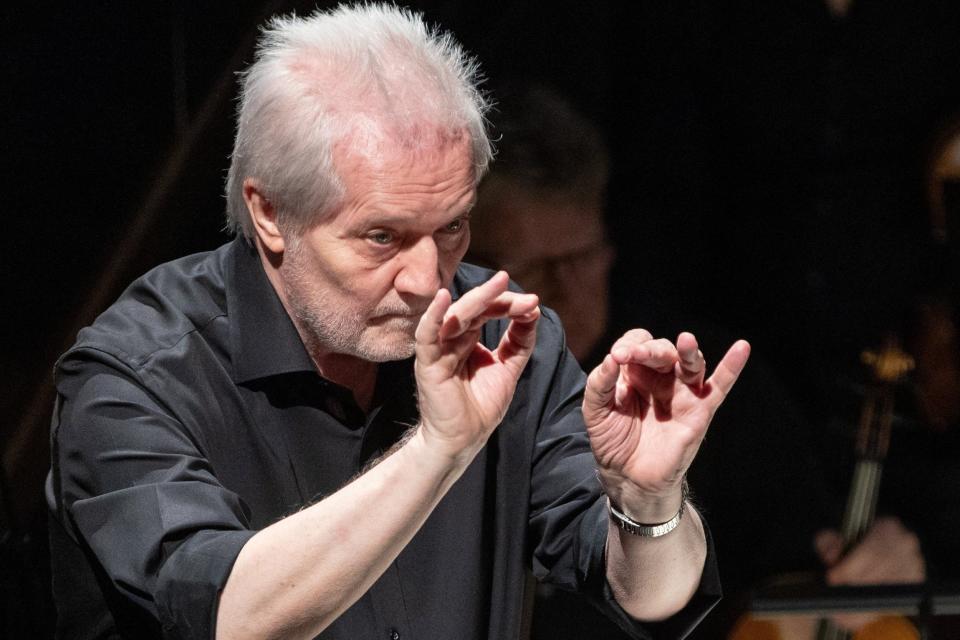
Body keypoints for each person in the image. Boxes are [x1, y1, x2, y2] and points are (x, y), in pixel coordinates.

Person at [46, 5, 751, 640]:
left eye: (451, 227)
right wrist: (439, 449)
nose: (427, 280)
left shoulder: (506, 340)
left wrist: (648, 502)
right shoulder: (134, 374)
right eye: (381, 237)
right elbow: (228, 615)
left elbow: (651, 599)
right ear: (269, 214)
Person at [467, 85, 932, 639]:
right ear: (470, 267)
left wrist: (878, 563)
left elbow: (805, 567)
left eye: (582, 257)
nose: (567, 290)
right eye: (536, 268)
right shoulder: (430, 397)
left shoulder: (701, 389)